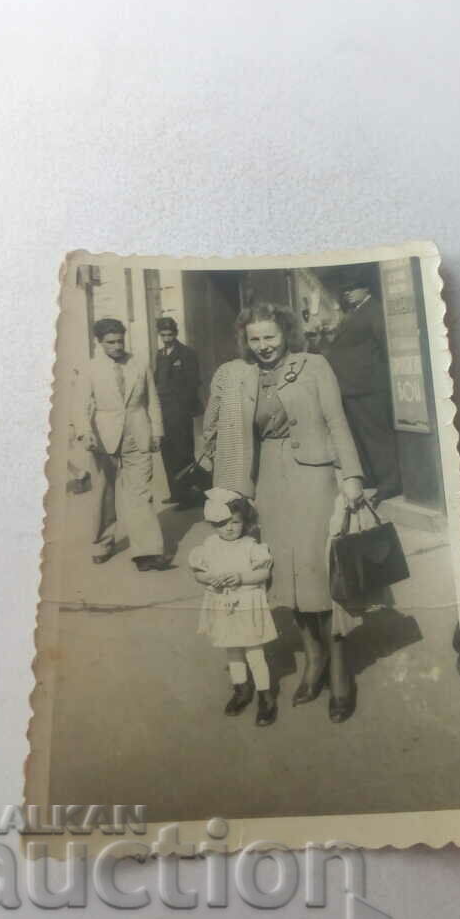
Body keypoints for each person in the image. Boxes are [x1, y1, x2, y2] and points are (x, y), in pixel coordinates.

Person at [203, 301, 365, 722]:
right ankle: (314, 660)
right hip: (269, 484)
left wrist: (352, 477)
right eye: (254, 339)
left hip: (315, 477)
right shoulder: (243, 376)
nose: (263, 346)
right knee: (286, 576)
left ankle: (341, 668)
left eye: (270, 337)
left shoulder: (314, 365)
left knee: (321, 574)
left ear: (285, 333)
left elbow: (337, 421)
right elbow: (229, 431)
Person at [76, 317, 168, 571]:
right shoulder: (91, 369)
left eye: (120, 340)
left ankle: (147, 552)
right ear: (99, 342)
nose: (117, 346)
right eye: (110, 342)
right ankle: (103, 543)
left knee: (140, 493)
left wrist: (157, 431)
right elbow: (80, 405)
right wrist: (85, 433)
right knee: (104, 493)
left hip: (137, 436)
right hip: (103, 439)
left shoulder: (139, 364)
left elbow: (152, 400)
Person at [189, 489, 277, 726]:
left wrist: (241, 577)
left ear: (244, 522)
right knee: (232, 650)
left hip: (247, 604)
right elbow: (199, 573)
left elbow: (263, 572)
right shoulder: (209, 545)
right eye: (222, 523)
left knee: (254, 652)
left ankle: (265, 695)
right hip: (223, 606)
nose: (229, 528)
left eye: (235, 522)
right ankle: (241, 689)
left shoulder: (250, 545)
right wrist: (210, 579)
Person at [325, 267, 402, 503]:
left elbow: (387, 347)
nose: (347, 293)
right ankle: (371, 477)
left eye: (352, 289)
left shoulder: (374, 311)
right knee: (359, 436)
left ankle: (391, 482)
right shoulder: (357, 311)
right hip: (352, 387)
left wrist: (380, 379)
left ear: (365, 289)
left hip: (369, 388)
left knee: (377, 437)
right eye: (345, 289)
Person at [154, 317, 202, 508]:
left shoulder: (187, 354)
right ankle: (175, 492)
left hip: (180, 412)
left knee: (183, 453)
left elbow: (193, 383)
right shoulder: (160, 354)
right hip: (163, 411)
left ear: (176, 333)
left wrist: (183, 407)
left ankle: (188, 495)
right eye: (163, 335)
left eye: (170, 335)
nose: (166, 339)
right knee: (168, 452)